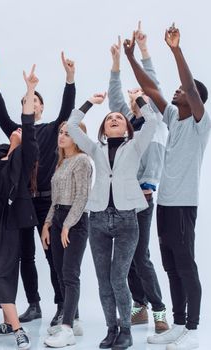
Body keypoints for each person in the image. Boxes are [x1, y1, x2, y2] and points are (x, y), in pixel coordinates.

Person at [68, 49, 158, 348]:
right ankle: (111, 329)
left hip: (126, 218)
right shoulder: (94, 149)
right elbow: (70, 127)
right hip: (98, 220)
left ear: (127, 125)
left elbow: (153, 122)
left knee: (119, 277)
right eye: (110, 118)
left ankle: (127, 331)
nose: (115, 119)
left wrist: (139, 98)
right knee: (103, 280)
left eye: (120, 117)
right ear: (104, 128)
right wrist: (90, 104)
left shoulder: (134, 147)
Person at [126, 24, 209, 350]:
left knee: (187, 266)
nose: (176, 92)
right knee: (171, 266)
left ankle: (193, 328)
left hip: (185, 204)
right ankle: (177, 323)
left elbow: (188, 83)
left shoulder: (201, 122)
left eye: (182, 91)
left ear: (195, 99)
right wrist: (132, 57)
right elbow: (149, 87)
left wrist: (176, 50)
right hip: (164, 203)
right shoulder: (173, 116)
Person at [0, 53, 76, 325]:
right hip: (24, 202)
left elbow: (67, 111)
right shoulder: (18, 131)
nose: (30, 103)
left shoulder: (52, 129)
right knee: (25, 256)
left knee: (53, 255)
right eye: (26, 101)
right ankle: (34, 304)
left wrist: (70, 79)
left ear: (41, 108)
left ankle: (63, 305)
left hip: (48, 203)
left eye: (34, 101)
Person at [108, 22, 169, 334]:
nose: (137, 96)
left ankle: (159, 310)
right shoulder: (128, 125)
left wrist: (144, 51)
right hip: (121, 199)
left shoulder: (154, 122)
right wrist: (117, 64)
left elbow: (153, 86)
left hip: (144, 197)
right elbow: (115, 98)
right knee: (127, 258)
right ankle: (139, 305)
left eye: (142, 95)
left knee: (140, 256)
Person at [0, 66, 40, 350]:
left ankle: (18, 330)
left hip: (12, 219)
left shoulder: (27, 155)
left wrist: (29, 91)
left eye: (20, 128)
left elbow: (27, 125)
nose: (16, 129)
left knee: (1, 271)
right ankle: (7, 321)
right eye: (13, 129)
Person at [41, 121, 92, 348]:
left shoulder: (82, 161)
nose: (62, 136)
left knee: (71, 274)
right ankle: (75, 319)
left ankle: (67, 329)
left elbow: (82, 197)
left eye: (68, 134)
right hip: (58, 218)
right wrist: (48, 223)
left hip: (76, 221)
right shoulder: (62, 162)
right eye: (61, 133)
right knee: (61, 273)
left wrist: (68, 225)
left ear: (78, 138)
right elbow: (55, 199)